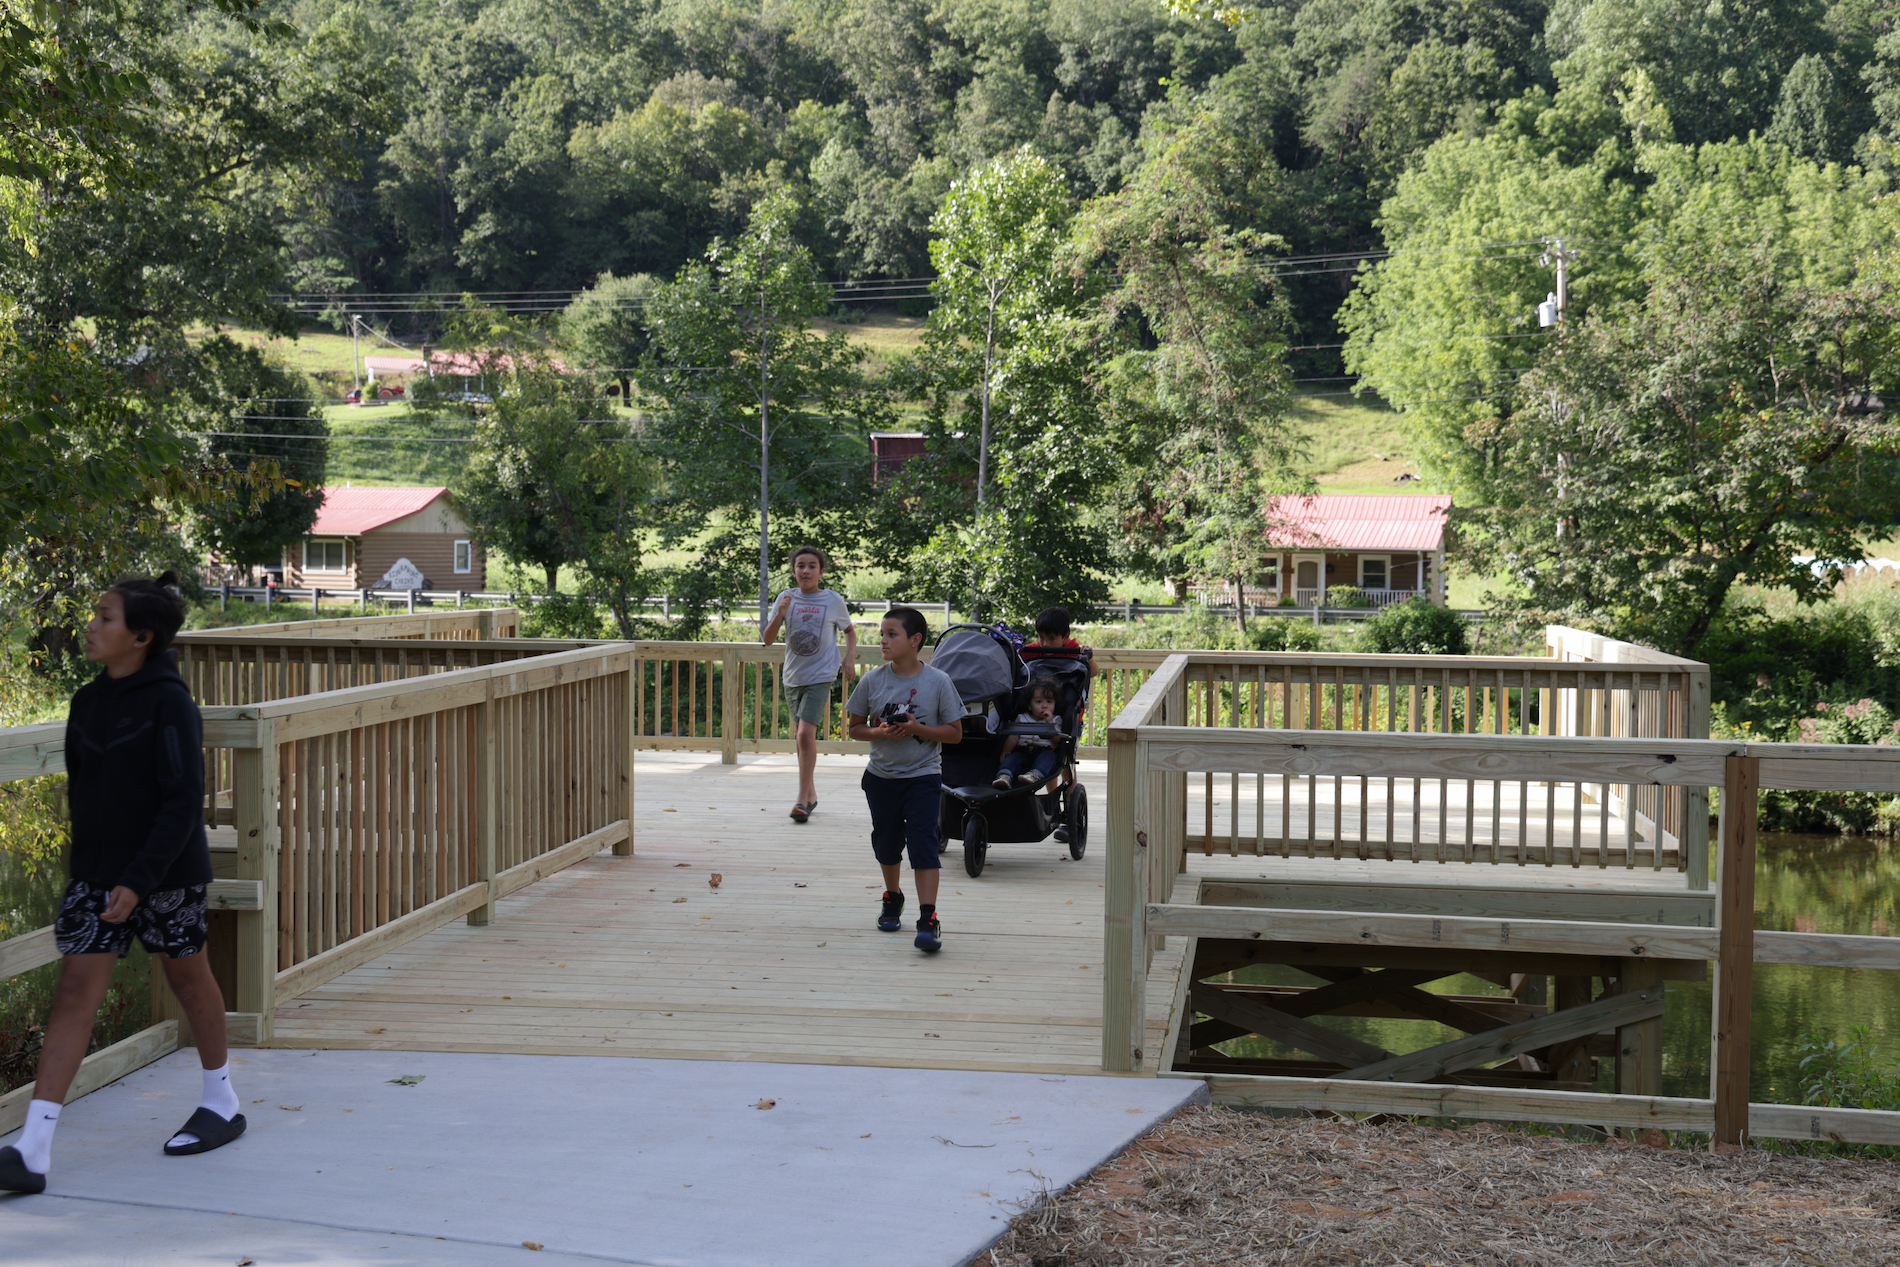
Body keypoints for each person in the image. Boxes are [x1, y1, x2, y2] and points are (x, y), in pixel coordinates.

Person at [1, 573, 245, 1196]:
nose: (91, 625)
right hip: (98, 879)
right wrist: (90, 877)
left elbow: (182, 800)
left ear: (141, 636)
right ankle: (32, 1148)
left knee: (189, 981)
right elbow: (85, 796)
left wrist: (138, 881)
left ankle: (221, 1101)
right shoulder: (86, 702)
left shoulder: (169, 703)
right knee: (74, 993)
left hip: (167, 874)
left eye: (106, 618)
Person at [845, 607, 963, 953]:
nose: (883, 640)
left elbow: (954, 734)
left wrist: (916, 729)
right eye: (882, 633)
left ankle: (928, 918)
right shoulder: (872, 680)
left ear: (915, 641)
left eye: (892, 634)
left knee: (923, 843)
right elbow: (855, 729)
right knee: (886, 842)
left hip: (924, 777)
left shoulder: (938, 682)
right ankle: (892, 897)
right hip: (881, 778)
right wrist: (881, 732)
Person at [760, 546, 857, 822]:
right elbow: (767, 640)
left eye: (812, 566)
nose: (806, 570)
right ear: (794, 570)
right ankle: (811, 795)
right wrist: (780, 612)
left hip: (821, 676)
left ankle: (801, 801)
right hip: (793, 677)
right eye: (800, 565)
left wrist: (849, 657)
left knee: (804, 736)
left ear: (821, 571)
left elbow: (849, 631)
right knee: (802, 739)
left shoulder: (832, 600)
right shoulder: (786, 597)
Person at [992, 680, 1062, 789]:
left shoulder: (1056, 720)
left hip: (1045, 750)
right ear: (1029, 705)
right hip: (1023, 750)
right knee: (1012, 758)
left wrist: (1050, 724)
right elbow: (1013, 737)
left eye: (1049, 701)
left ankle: (1035, 774)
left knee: (1048, 758)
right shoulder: (1022, 718)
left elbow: (1057, 741)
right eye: (1039, 702)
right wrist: (1006, 750)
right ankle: (1005, 776)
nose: (1044, 706)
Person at [1031, 607, 1102, 676]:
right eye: (1041, 637)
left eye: (1052, 639)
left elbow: (1093, 672)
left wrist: (1089, 658)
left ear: (1065, 637)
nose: (1045, 644)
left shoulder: (1072, 650)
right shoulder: (1032, 650)